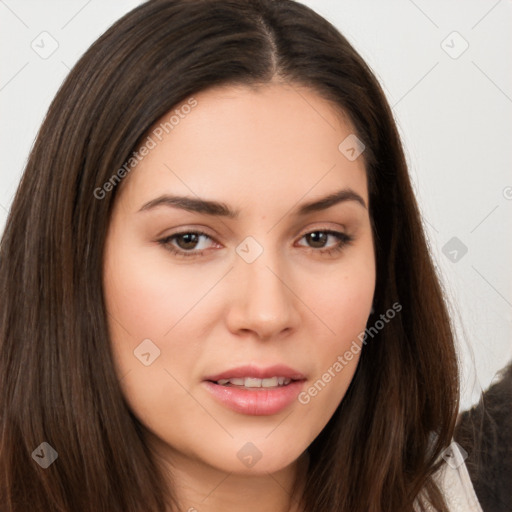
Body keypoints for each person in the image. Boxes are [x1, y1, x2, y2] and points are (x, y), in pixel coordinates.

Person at [0, 1, 484, 510]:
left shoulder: (470, 488)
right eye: (190, 239)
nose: (267, 313)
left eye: (320, 238)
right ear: (73, 259)